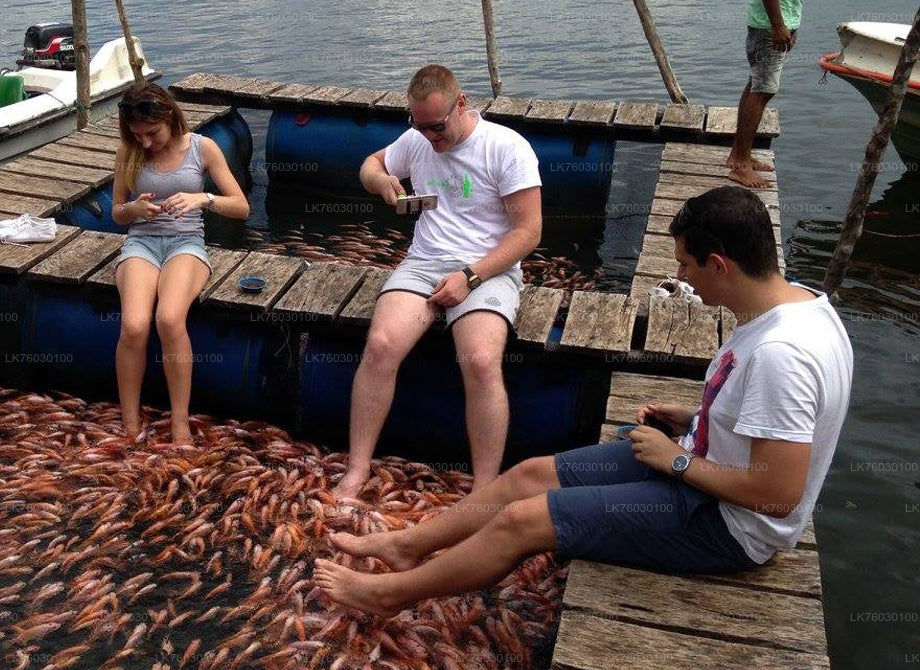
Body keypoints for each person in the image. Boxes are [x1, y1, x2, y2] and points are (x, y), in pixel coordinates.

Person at [315, 186, 852, 617]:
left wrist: (676, 461)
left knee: (522, 521)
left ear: (720, 265)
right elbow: (774, 420)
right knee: (528, 475)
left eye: (686, 266)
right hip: (699, 464)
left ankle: (391, 595)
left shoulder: (781, 353)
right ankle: (409, 545)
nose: (680, 279)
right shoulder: (800, 304)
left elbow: (777, 496)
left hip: (726, 524)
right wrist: (697, 417)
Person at [330, 65, 542, 499]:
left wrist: (470, 276)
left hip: (487, 267)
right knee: (381, 345)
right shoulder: (418, 138)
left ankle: (484, 487)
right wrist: (381, 181)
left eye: (437, 127)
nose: (429, 136)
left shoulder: (506, 147)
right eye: (419, 125)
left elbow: (529, 232)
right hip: (424, 260)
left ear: (461, 104)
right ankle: (357, 468)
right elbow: (370, 164)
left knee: (480, 359)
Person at [109, 84, 248, 444]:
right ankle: (130, 423)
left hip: (186, 243)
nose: (145, 142)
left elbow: (241, 207)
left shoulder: (203, 147)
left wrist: (203, 198)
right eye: (137, 134)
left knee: (169, 319)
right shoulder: (128, 151)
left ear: (169, 116)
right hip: (141, 243)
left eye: (152, 133)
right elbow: (117, 213)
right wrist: (133, 209)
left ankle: (179, 422)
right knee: (134, 325)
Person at [727, 0, 802, 189]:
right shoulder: (773, 25)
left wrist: (792, 25)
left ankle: (738, 156)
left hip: (773, 24)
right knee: (762, 90)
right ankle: (740, 165)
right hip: (769, 26)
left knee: (756, 85)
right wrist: (778, 26)